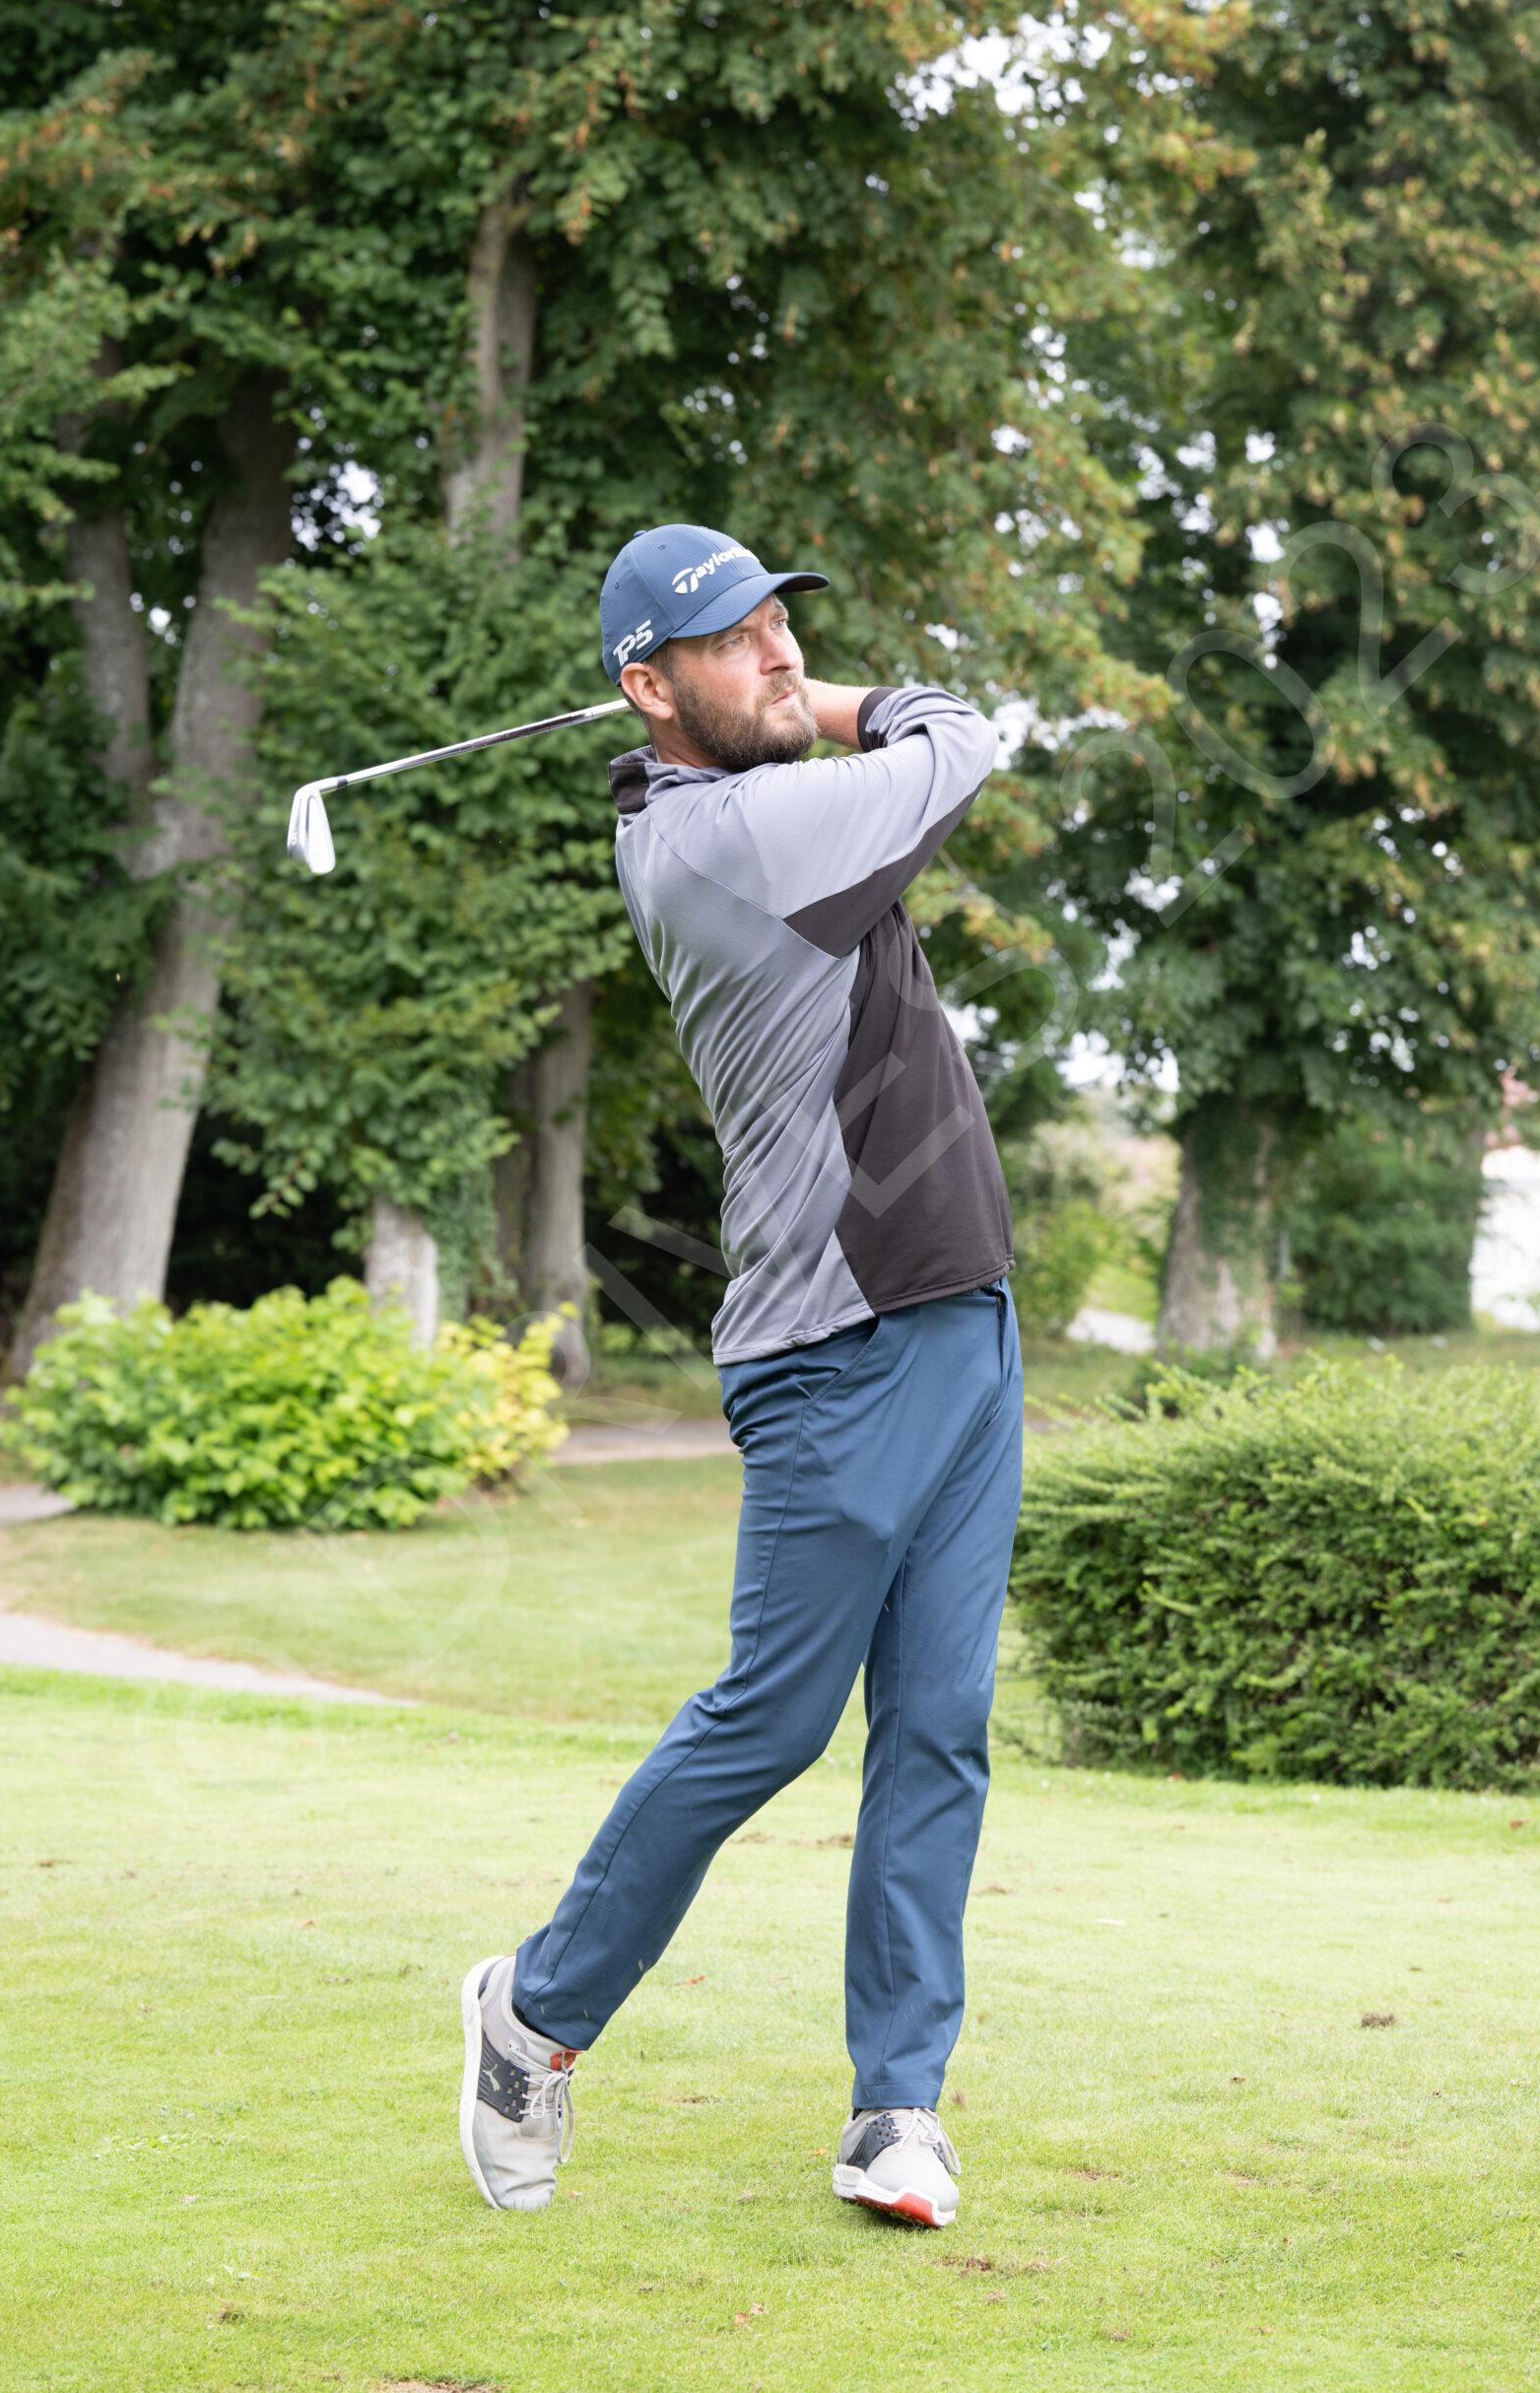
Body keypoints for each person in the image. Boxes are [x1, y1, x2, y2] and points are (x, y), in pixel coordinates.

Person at [457, 523, 1023, 2230]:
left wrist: (780, 696)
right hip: (837, 1349)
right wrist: (847, 700)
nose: (781, 652)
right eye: (739, 641)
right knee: (772, 1721)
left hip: (959, 1318)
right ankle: (532, 2016)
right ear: (649, 688)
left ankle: (896, 2109)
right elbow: (961, 739)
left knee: (938, 1729)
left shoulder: (747, 806)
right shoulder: (732, 840)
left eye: (788, 627)